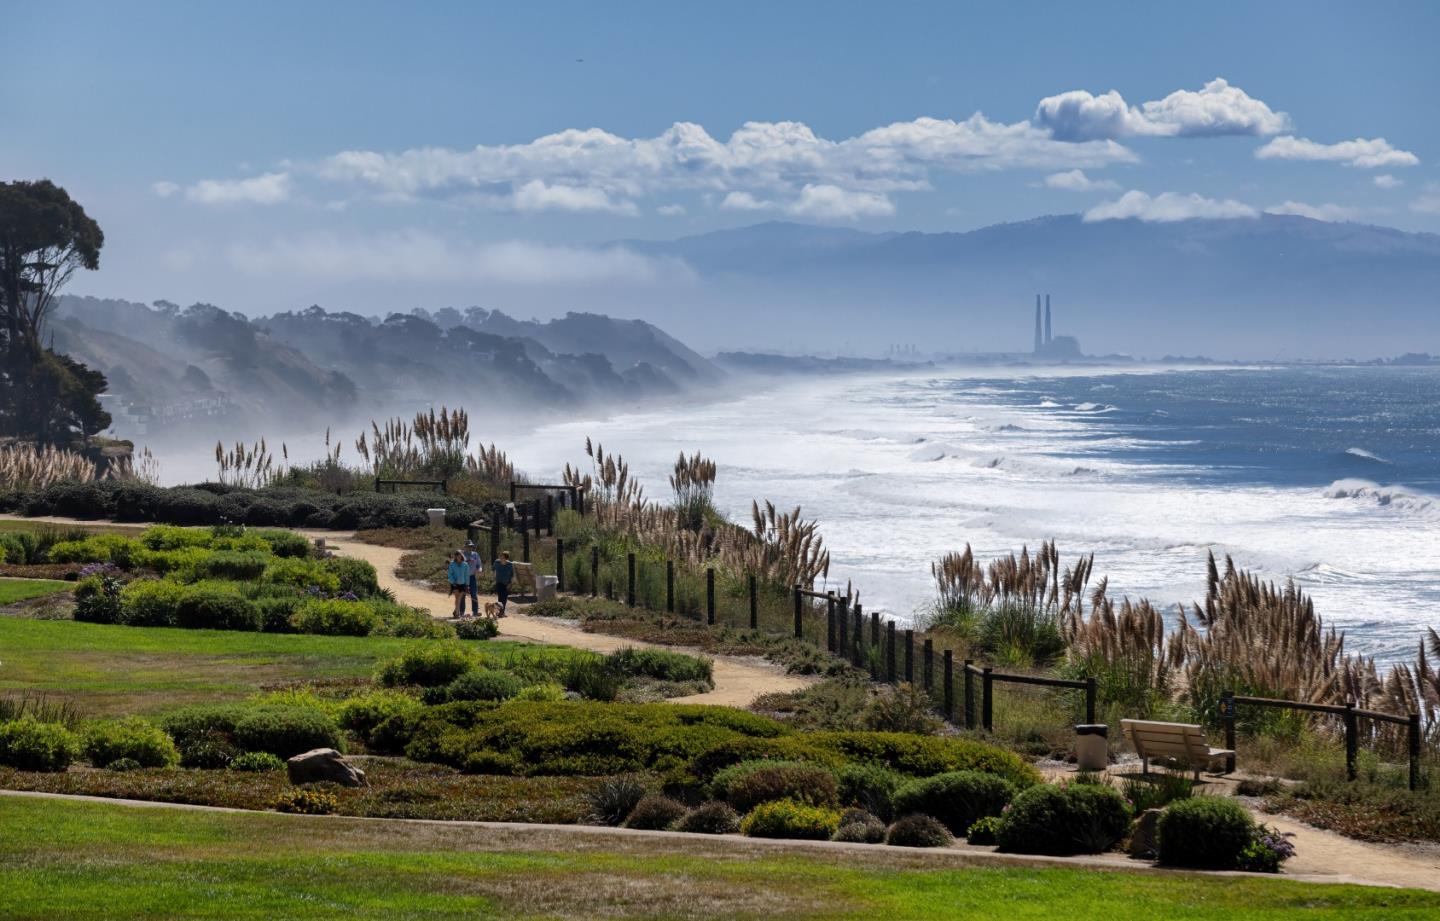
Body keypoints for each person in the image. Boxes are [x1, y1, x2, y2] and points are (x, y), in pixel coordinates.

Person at [463, 541, 484, 616]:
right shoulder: (462, 555)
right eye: (468, 546)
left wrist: (479, 570)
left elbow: (479, 565)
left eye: (471, 546)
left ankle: (475, 612)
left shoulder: (475, 554)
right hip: (463, 578)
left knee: (474, 594)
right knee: (463, 594)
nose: (470, 547)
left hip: (472, 577)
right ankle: (461, 612)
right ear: (465, 547)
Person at [446, 550, 470, 618]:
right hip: (454, 584)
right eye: (456, 555)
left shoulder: (465, 565)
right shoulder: (452, 564)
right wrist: (453, 582)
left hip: (463, 584)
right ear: (455, 556)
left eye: (459, 555)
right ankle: (457, 613)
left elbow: (467, 575)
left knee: (459, 598)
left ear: (462, 555)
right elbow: (450, 574)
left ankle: (456, 611)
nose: (458, 556)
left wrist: (467, 585)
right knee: (457, 598)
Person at [492, 550, 515, 616]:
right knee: (500, 598)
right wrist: (494, 577)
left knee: (504, 598)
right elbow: (493, 569)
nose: (500, 557)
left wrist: (510, 583)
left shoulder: (510, 564)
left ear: (506, 558)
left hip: (507, 583)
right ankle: (499, 612)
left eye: (502, 556)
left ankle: (502, 612)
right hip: (499, 582)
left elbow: (512, 575)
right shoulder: (496, 562)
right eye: (500, 556)